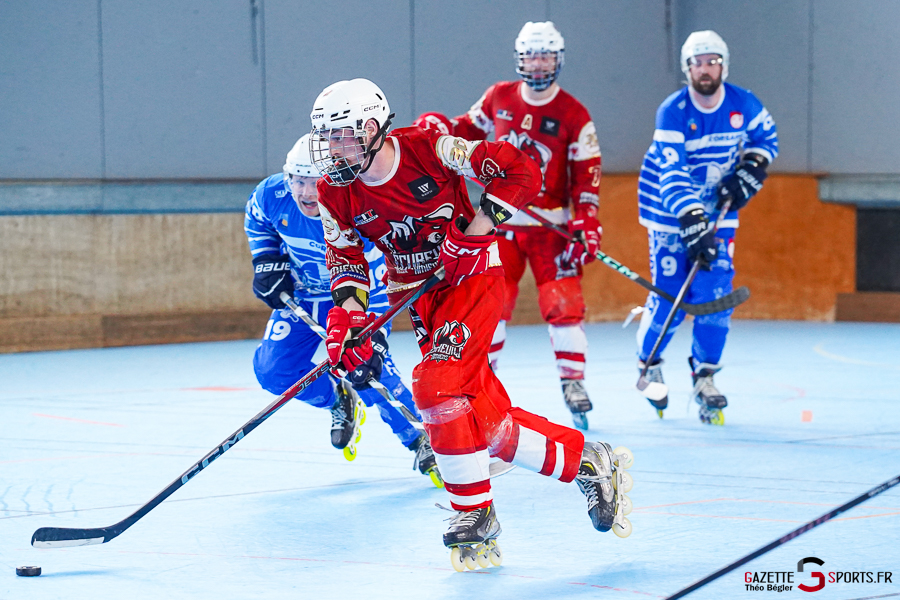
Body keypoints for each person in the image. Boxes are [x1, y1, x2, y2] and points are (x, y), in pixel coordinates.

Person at [310, 78, 633, 570]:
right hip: (419, 300)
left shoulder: (432, 147)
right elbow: (346, 261)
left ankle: (474, 512)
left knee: (434, 386)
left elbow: (518, 170)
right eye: (326, 137)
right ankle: (587, 462)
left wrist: (474, 231)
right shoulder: (334, 191)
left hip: (473, 280)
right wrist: (348, 321)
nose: (332, 149)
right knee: (486, 422)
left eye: (340, 136)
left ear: (371, 128)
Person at [244, 134, 441, 484]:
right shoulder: (271, 195)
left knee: (367, 366)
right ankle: (337, 398)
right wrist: (266, 260)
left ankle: (421, 438)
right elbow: (258, 221)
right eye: (298, 180)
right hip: (304, 294)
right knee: (272, 371)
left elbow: (377, 269)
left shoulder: (353, 202)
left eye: (314, 181)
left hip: (356, 296)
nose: (306, 192)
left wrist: (370, 330)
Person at [447, 21, 603, 430]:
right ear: (519, 59)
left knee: (564, 304)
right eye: (531, 56)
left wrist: (586, 219)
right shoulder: (498, 96)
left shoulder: (574, 113)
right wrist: (438, 130)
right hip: (499, 222)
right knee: (491, 305)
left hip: (552, 227)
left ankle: (573, 381)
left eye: (545, 56)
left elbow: (587, 172)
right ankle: (482, 381)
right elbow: (465, 129)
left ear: (558, 60)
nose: (537, 64)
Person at [635, 30, 778, 424]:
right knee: (670, 294)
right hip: (669, 211)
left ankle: (705, 375)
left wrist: (751, 168)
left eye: (712, 62)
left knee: (716, 293)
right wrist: (692, 220)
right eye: (697, 63)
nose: (705, 69)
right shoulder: (673, 111)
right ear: (687, 69)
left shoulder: (743, 103)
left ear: (723, 66)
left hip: (719, 209)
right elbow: (672, 172)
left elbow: (767, 139)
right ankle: (649, 364)